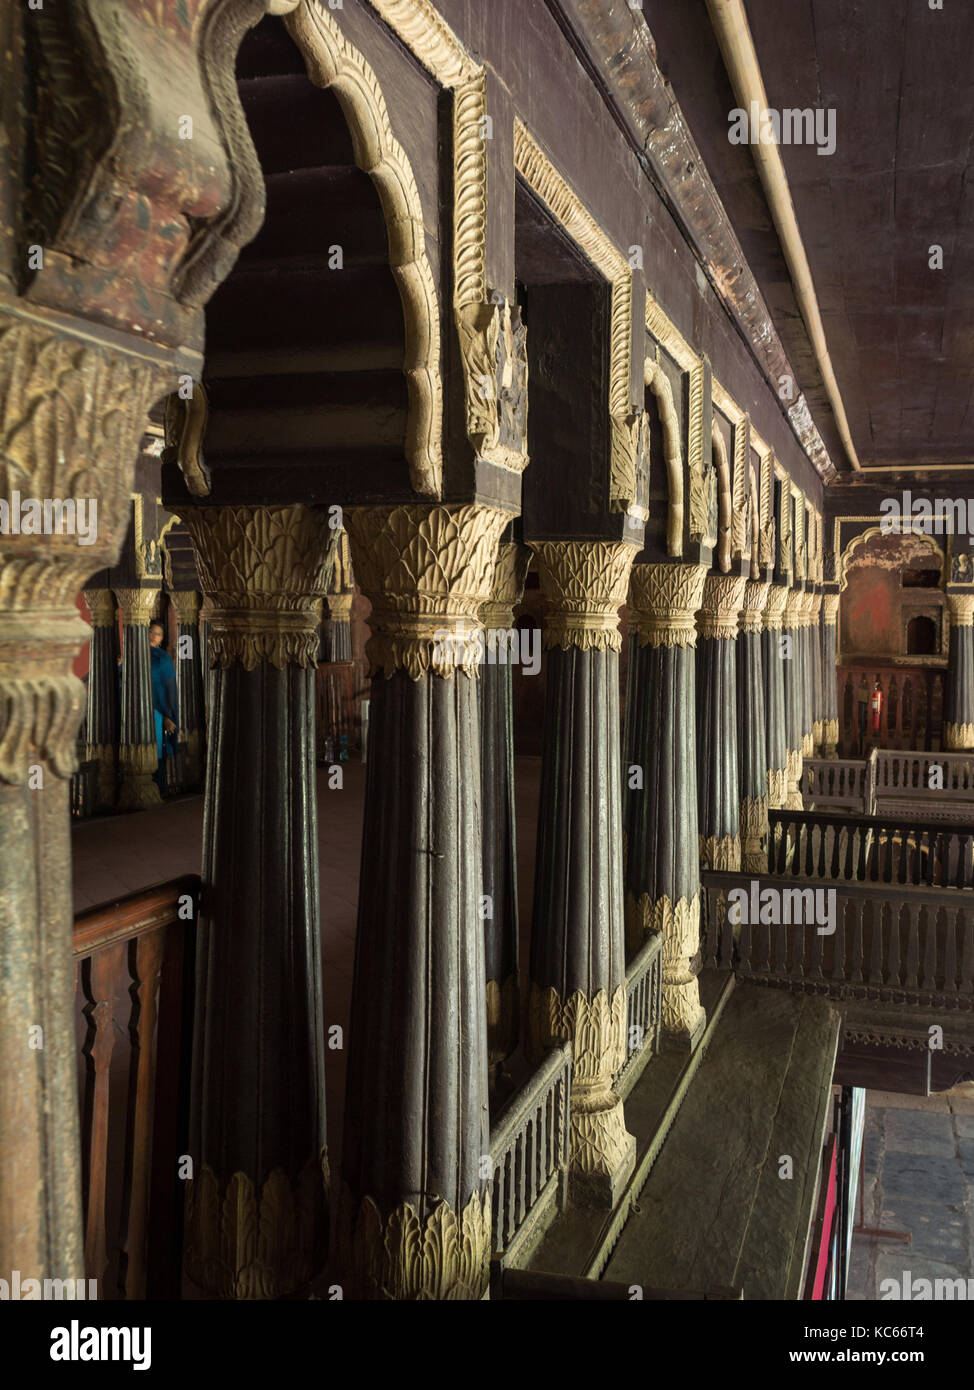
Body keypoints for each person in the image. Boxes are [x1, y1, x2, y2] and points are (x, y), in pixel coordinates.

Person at [149, 620, 178, 792]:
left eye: (158, 634)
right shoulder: (131, 655)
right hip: (133, 711)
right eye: (151, 632)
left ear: (161, 639)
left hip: (157, 713)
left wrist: (168, 715)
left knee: (156, 750)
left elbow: (169, 690)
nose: (153, 636)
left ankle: (158, 788)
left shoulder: (163, 659)